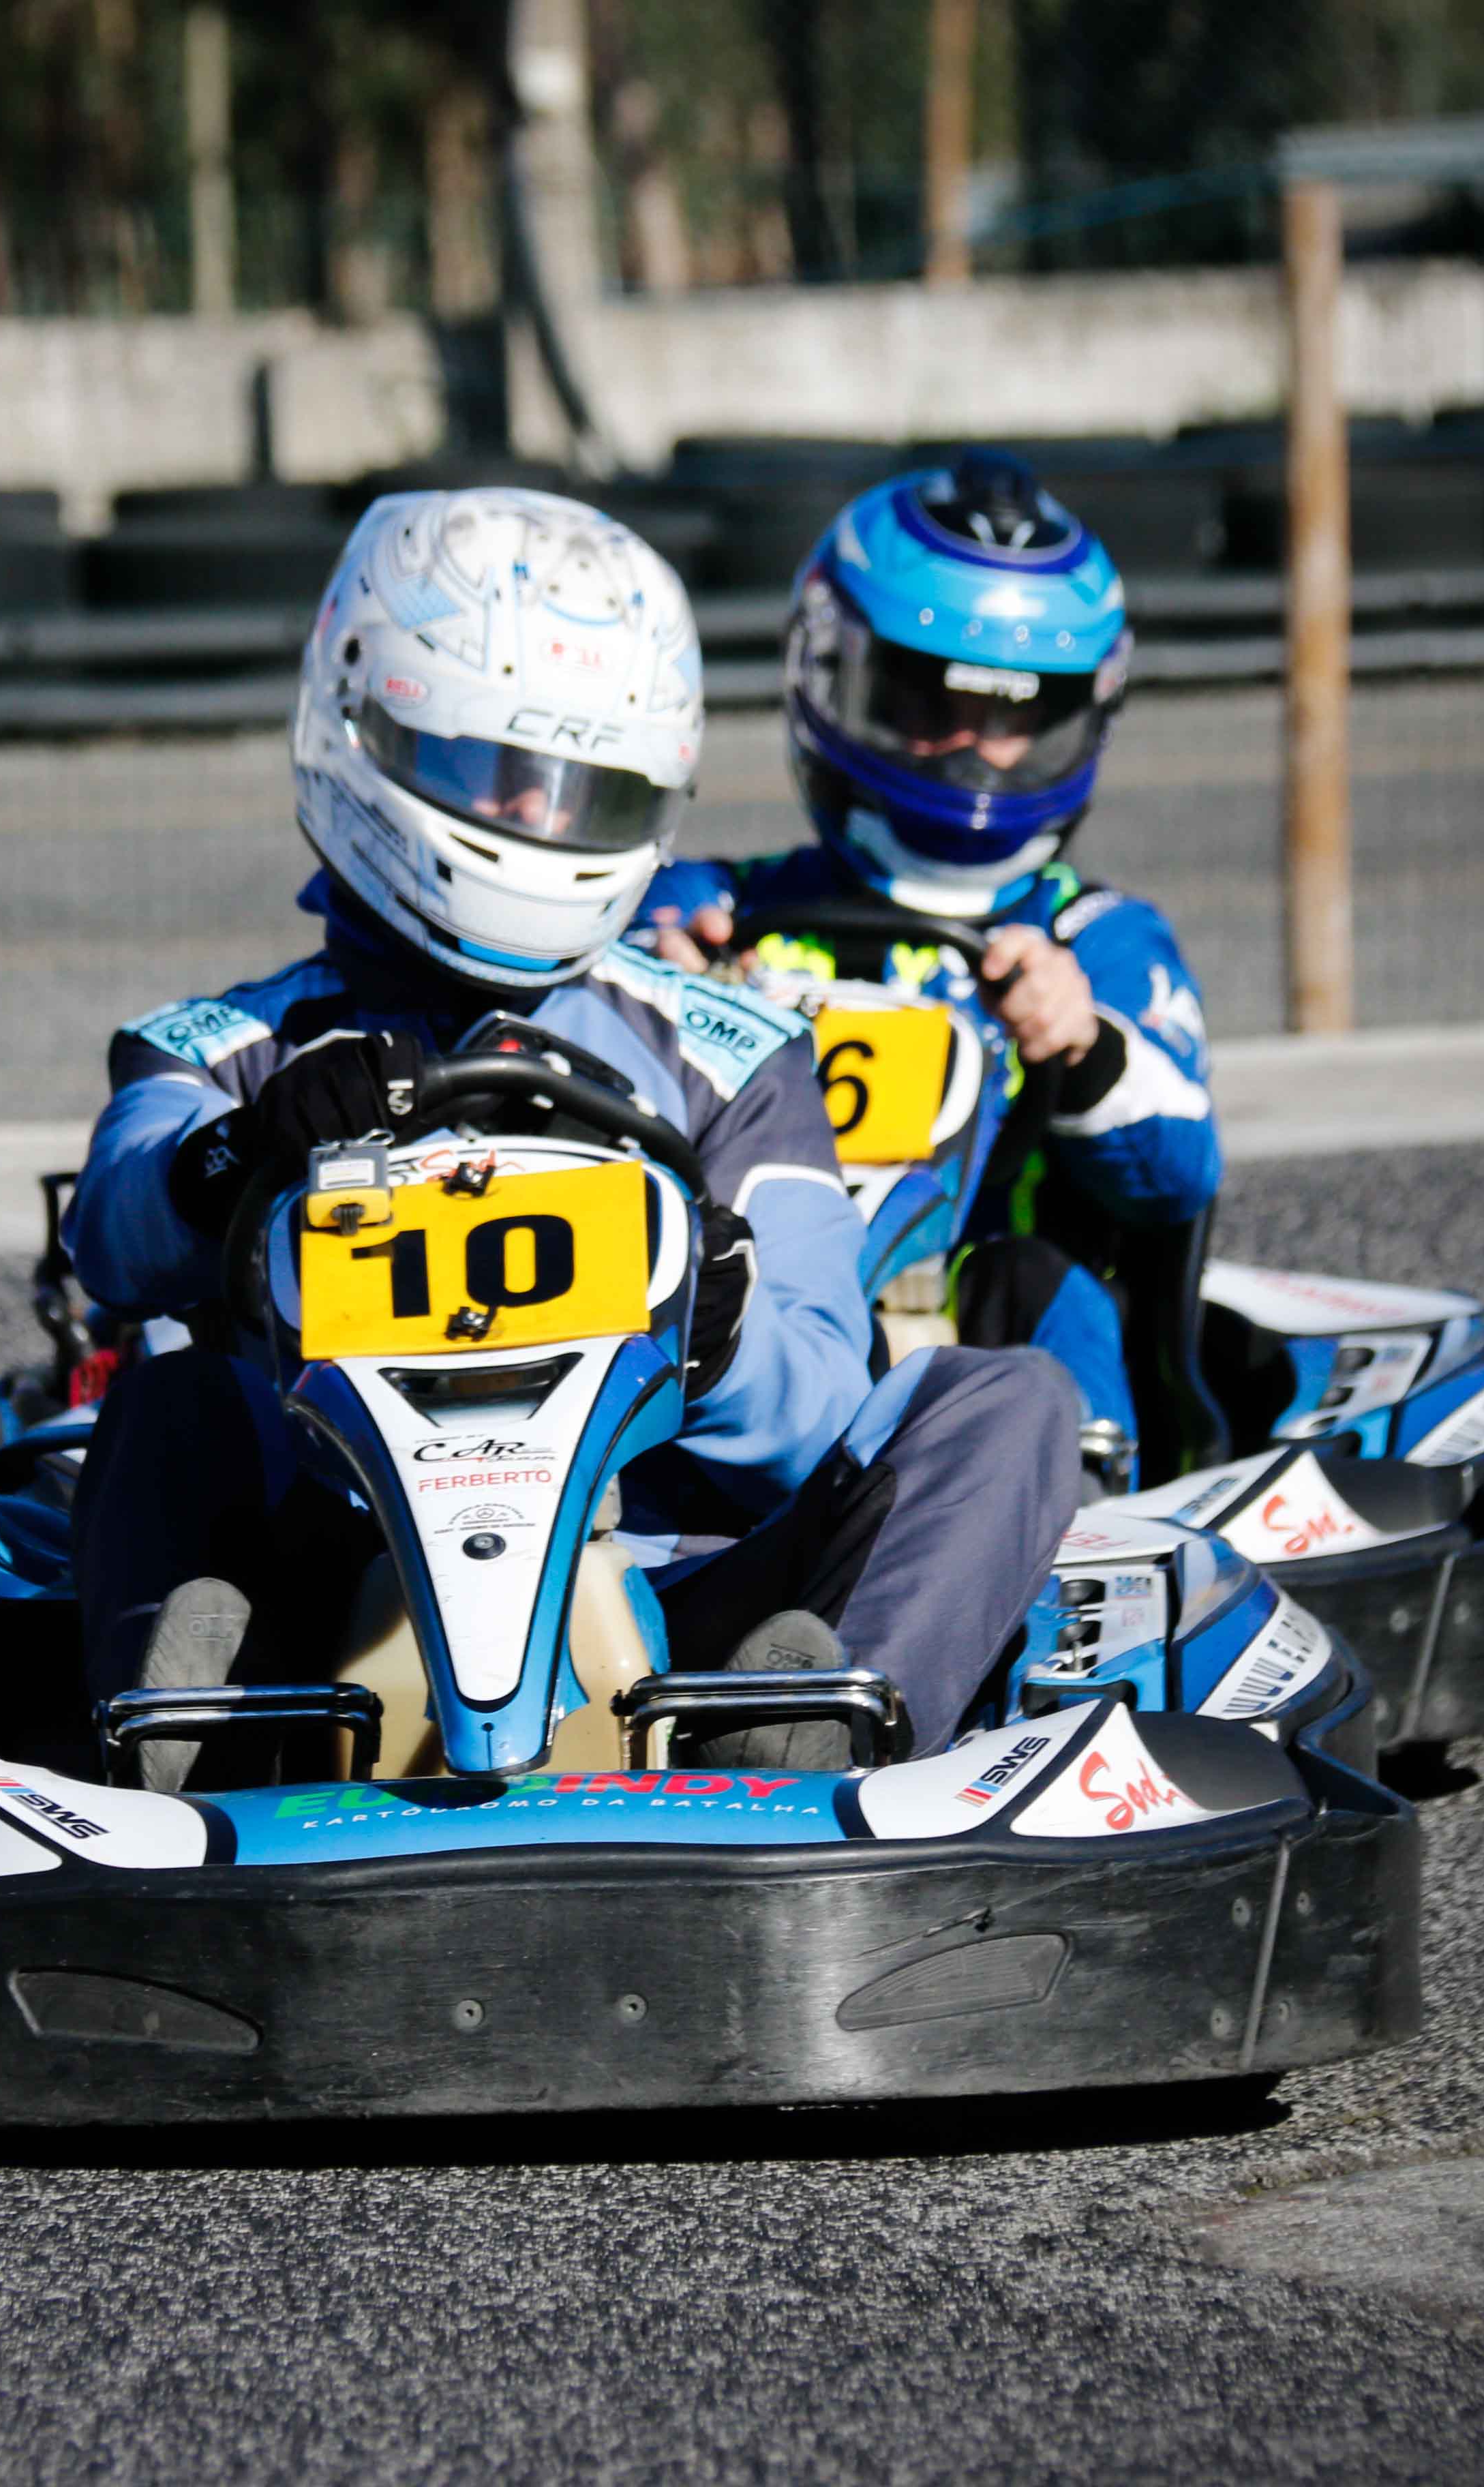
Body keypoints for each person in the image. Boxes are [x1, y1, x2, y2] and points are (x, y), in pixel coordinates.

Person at [61, 486, 1087, 1769]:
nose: (541, 823)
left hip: (677, 1592)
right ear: (362, 723)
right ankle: (201, 1746)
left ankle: (807, 1737)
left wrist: (713, 1326)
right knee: (170, 1403)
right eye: (499, 778)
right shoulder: (226, 1047)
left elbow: (823, 1396)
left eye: (583, 792)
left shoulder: (734, 1055)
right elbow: (114, 1225)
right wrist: (246, 1155)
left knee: (1008, 1398)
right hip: (327, 1581)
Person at [635, 451, 1231, 1483]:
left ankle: (1073, 1527)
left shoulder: (1097, 939)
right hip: (763, 1307)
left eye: (1011, 718)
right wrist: (661, 972)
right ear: (838, 676)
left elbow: (1181, 1171)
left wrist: (1079, 1042)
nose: (969, 752)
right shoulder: (719, 908)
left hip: (983, 1326)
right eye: (931, 706)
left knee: (1030, 1274)